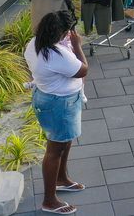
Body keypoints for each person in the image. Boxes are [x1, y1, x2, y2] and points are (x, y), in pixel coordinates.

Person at [24, 11, 89, 215]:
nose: (70, 34)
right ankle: (49, 200)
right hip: (60, 105)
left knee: (64, 142)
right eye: (68, 31)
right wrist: (77, 45)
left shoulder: (34, 44)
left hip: (52, 100)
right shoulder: (56, 54)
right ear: (61, 33)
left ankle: (61, 179)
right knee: (55, 150)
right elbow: (83, 69)